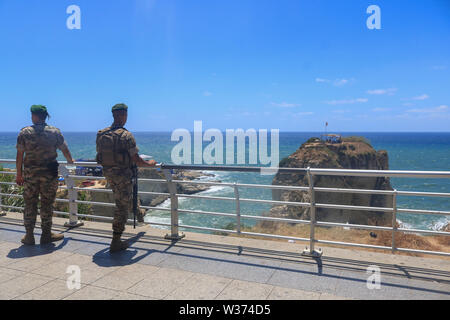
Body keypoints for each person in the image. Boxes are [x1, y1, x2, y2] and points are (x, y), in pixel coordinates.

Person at [96, 103, 157, 253]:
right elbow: (137, 160)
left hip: (109, 175)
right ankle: (116, 240)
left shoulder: (101, 134)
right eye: (125, 115)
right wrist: (151, 164)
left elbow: (99, 156)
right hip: (123, 176)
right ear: (123, 115)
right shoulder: (126, 136)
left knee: (122, 200)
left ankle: (138, 212)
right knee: (121, 207)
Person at [16, 105, 75, 245]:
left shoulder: (24, 133)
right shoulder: (55, 132)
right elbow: (65, 150)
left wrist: (19, 174)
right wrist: (71, 162)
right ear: (45, 116)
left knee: (30, 204)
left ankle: (29, 236)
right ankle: (46, 235)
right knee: (47, 204)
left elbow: (19, 156)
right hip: (49, 175)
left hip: (30, 176)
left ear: (34, 116)